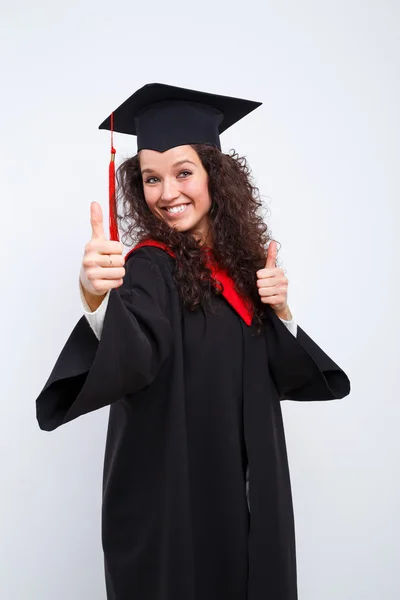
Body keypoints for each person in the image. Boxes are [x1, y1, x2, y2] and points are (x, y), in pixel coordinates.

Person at [36, 83, 351, 600]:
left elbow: (282, 373)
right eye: (152, 178)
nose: (167, 192)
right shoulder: (150, 268)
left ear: (214, 176)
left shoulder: (244, 270)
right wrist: (95, 295)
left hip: (245, 494)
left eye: (184, 172)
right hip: (176, 498)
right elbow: (133, 352)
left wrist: (281, 311)